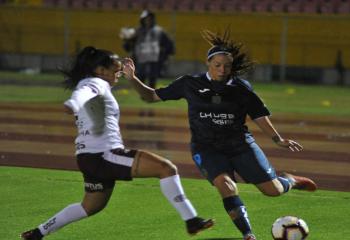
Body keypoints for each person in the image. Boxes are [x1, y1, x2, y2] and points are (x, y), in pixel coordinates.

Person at [124, 29, 318, 240]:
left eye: (227, 66)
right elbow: (151, 96)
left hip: (240, 145)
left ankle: (290, 180)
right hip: (206, 148)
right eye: (217, 65)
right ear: (208, 63)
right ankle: (248, 235)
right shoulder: (190, 83)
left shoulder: (242, 88)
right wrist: (133, 78)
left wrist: (278, 139)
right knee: (226, 186)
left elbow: (259, 116)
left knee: (273, 190)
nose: (222, 69)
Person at [20, 46, 213, 240]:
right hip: (103, 155)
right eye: (115, 70)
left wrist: (131, 77)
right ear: (100, 70)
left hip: (89, 156)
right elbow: (83, 93)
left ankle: (38, 233)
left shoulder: (95, 83)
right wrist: (73, 103)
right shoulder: (96, 83)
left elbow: (85, 92)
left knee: (89, 207)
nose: (118, 74)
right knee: (166, 168)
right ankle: (191, 220)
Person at [120, 9, 175, 88]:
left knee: (153, 75)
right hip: (140, 57)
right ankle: (141, 90)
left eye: (150, 18)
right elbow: (130, 43)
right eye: (146, 19)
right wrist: (126, 40)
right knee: (140, 74)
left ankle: (151, 92)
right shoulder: (138, 31)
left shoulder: (158, 30)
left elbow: (168, 43)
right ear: (143, 20)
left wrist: (168, 52)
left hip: (154, 57)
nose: (148, 21)